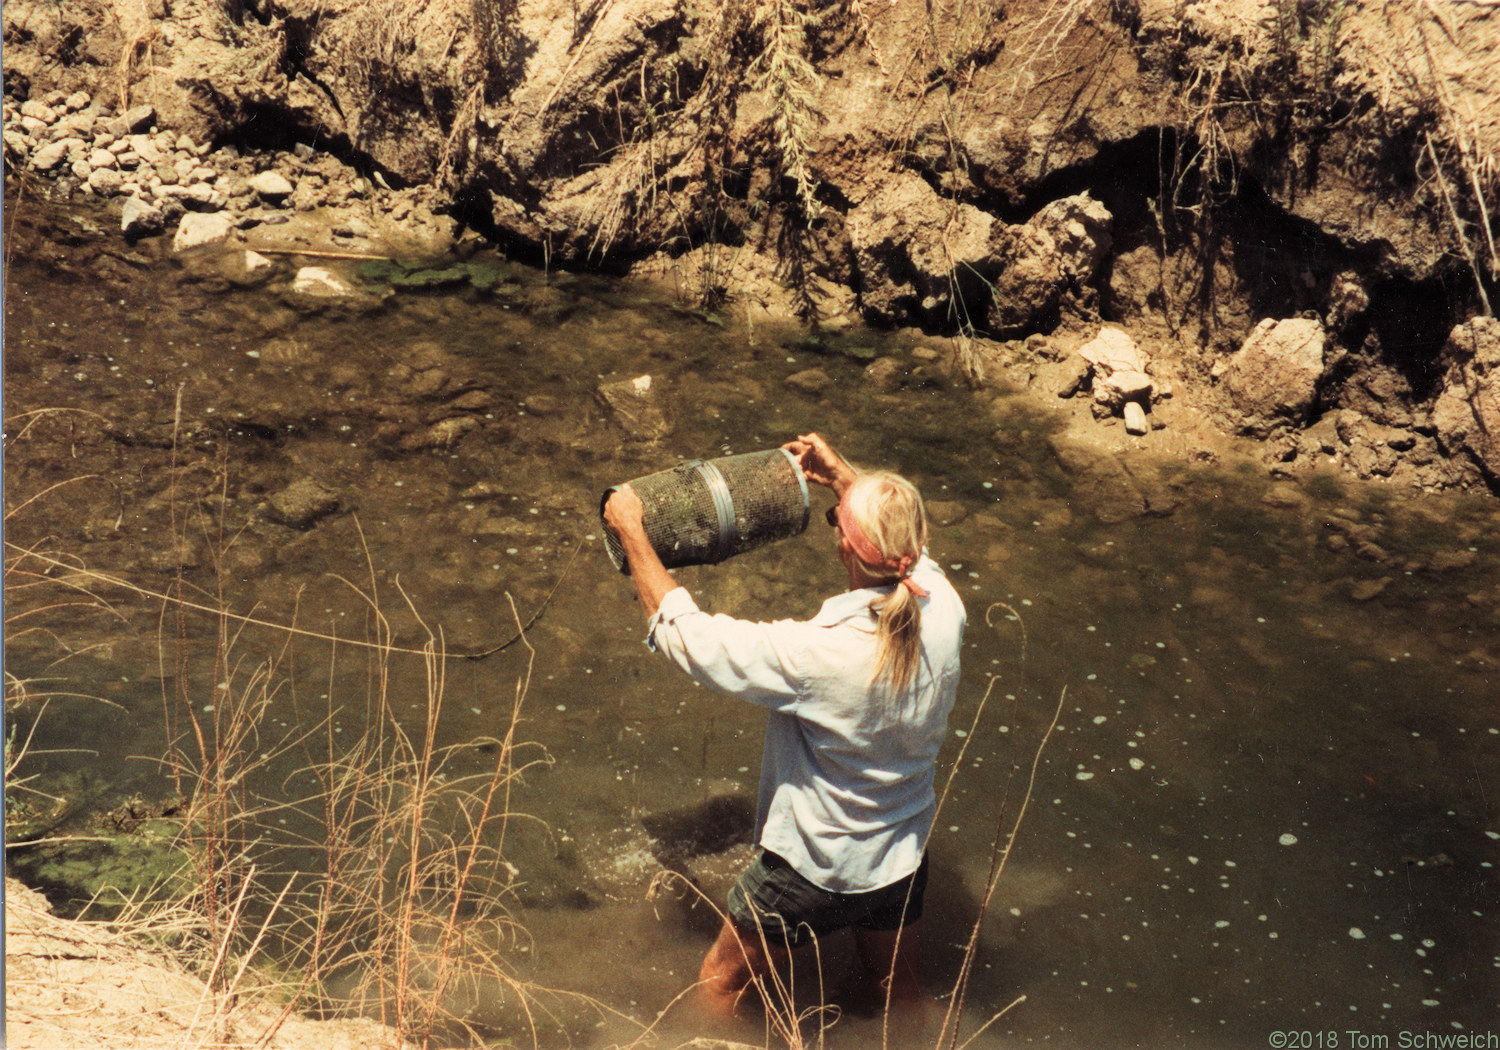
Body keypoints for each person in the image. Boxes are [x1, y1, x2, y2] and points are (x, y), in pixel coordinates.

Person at [602, 432, 965, 1019]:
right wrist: (843, 478)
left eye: (834, 525)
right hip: (900, 854)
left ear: (847, 549)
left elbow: (684, 634)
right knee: (898, 992)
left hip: (812, 869)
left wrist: (632, 531)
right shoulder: (943, 605)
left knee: (721, 985)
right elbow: (908, 551)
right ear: (914, 542)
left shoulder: (816, 655)